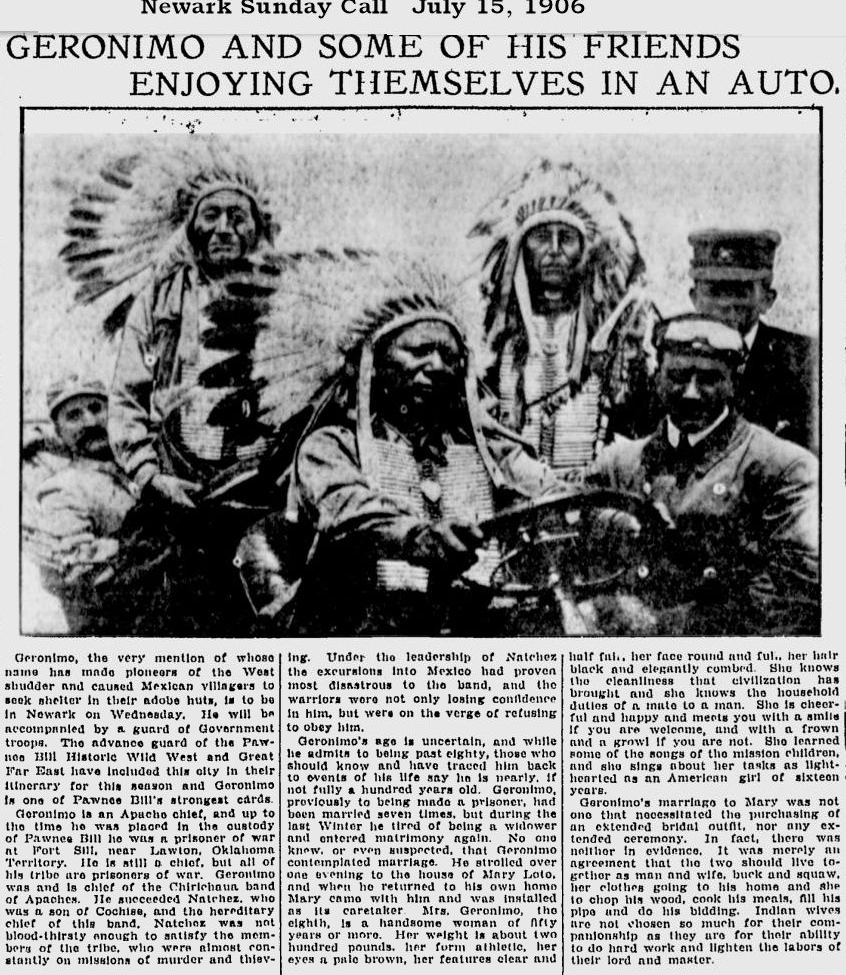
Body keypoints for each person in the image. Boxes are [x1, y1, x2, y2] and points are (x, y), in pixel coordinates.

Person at [237, 281, 560, 636]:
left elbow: (551, 490)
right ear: (373, 362)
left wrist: (604, 515)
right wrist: (418, 536)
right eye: (419, 351)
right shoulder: (331, 447)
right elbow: (350, 509)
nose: (437, 365)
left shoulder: (492, 453)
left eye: (449, 357)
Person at [61, 145, 285, 632]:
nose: (224, 227)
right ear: (190, 226)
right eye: (211, 215)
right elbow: (126, 399)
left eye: (237, 216)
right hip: (175, 482)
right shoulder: (158, 299)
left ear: (258, 227)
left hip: (263, 484)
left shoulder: (284, 297)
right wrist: (150, 476)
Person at [588, 314, 819, 635]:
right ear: (657, 378)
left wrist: (662, 626)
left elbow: (795, 590)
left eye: (709, 378)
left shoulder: (783, 467)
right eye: (678, 376)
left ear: (734, 383)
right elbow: (571, 545)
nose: (691, 393)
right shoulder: (618, 464)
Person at [469, 159, 656, 472]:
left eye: (566, 239)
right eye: (541, 237)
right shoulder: (495, 339)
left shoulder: (611, 337)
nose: (554, 250)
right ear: (520, 247)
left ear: (585, 251)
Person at [688, 229, 818, 453]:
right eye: (715, 291)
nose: (726, 304)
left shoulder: (807, 361)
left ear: (768, 300)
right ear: (694, 298)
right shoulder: (674, 361)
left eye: (740, 291)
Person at [26, 376, 138, 633]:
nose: (90, 421)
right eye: (74, 416)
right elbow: (77, 573)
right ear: (58, 432)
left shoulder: (135, 470)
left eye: (97, 409)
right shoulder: (63, 489)